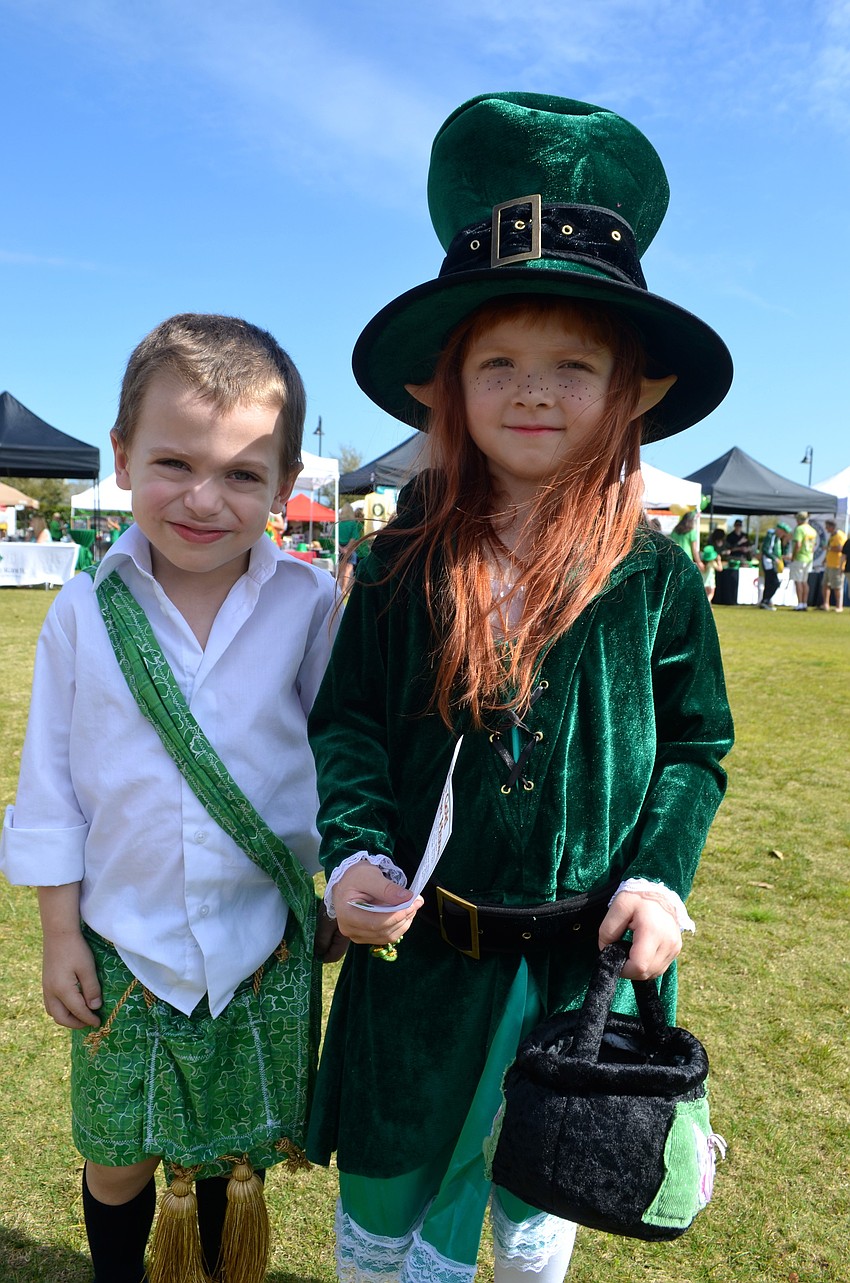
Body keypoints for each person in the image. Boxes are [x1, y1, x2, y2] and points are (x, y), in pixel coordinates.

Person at [305, 93, 734, 1282]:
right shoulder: (399, 558)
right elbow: (344, 723)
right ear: (446, 384)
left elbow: (697, 743)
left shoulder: (652, 571)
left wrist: (657, 877)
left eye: (569, 364)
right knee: (388, 1203)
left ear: (630, 388)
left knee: (536, 1200)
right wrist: (351, 853)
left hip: (575, 966)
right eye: (497, 361)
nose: (531, 390)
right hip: (421, 962)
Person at [0, 314, 342, 1283]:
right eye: (173, 461)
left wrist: (346, 869)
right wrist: (59, 934)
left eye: (243, 473)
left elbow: (342, 753)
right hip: (121, 942)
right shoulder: (78, 611)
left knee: (238, 1158)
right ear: (120, 456)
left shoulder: (311, 604)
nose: (204, 497)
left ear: (284, 481)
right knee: (115, 1158)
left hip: (259, 943)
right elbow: (49, 788)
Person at [789, 510, 818, 610]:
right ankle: (805, 603)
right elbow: (814, 546)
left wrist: (793, 556)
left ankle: (800, 603)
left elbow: (798, 544)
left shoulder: (799, 529)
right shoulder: (812, 530)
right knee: (804, 582)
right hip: (809, 558)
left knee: (798, 581)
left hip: (800, 557)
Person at [759, 521, 790, 609]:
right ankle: (766, 600)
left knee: (769, 582)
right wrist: (774, 558)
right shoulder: (771, 536)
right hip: (768, 562)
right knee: (774, 582)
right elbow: (766, 549)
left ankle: (765, 601)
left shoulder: (776, 538)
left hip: (772, 562)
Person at [336, 501, 364, 594]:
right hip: (350, 549)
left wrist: (341, 548)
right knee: (348, 571)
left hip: (340, 549)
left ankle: (339, 589)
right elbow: (354, 538)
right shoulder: (353, 524)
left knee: (340, 571)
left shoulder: (339, 524)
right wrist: (347, 548)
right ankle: (344, 590)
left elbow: (333, 538)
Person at [820, 518, 846, 612]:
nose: (826, 528)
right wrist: (825, 559)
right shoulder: (832, 535)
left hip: (836, 565)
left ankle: (839, 606)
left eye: (827, 526)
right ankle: (825, 604)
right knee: (825, 584)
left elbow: (841, 549)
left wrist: (828, 548)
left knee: (837, 586)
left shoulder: (839, 536)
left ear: (832, 526)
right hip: (829, 564)